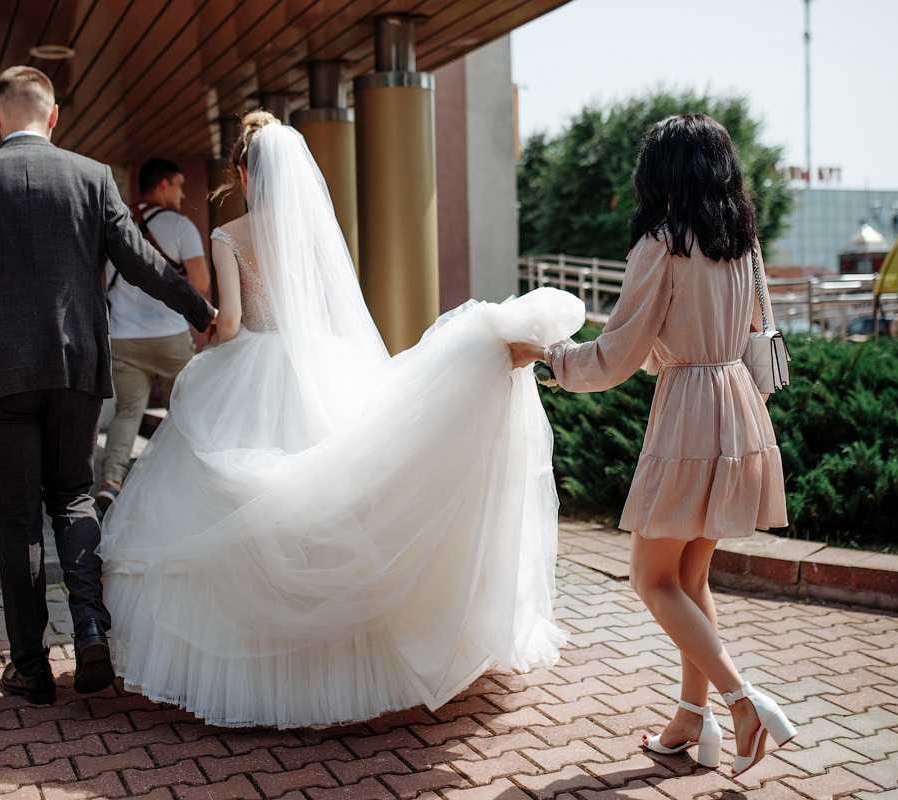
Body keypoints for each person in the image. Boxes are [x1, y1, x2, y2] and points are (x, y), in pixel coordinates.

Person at [98, 110, 585, 728]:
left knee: (240, 510)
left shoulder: (230, 236)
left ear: (246, 175)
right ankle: (347, 661)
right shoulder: (313, 233)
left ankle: (258, 669)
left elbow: (230, 325)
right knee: (335, 496)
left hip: (249, 373)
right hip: (321, 365)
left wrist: (206, 344)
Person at [509, 114, 795, 777]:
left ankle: (743, 703)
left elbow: (614, 356)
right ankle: (692, 723)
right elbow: (747, 327)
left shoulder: (662, 243)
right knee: (690, 577)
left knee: (650, 576)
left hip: (691, 414)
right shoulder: (740, 241)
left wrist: (549, 357)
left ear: (660, 172)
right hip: (740, 410)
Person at [0, 66, 214, 706]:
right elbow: (140, 260)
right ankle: (90, 632)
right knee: (74, 498)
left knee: (16, 520)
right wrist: (200, 310)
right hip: (76, 365)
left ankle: (29, 667)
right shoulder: (91, 177)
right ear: (54, 117)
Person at [96, 158, 212, 513]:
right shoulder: (181, 227)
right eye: (178, 185)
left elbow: (101, 281)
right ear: (162, 186)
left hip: (124, 339)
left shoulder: (115, 225)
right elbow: (201, 283)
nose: (182, 193)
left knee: (129, 411)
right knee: (189, 407)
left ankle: (112, 482)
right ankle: (199, 478)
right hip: (170, 336)